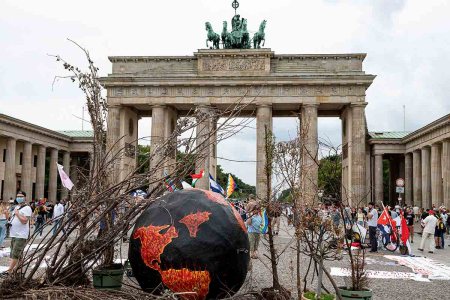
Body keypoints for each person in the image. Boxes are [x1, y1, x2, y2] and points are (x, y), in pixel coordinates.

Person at [3, 191, 32, 275]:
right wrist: (6, 214)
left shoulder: (27, 208)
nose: (19, 198)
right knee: (18, 254)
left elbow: (24, 221)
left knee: (15, 253)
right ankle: (19, 272)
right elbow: (10, 219)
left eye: (21, 196)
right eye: (18, 196)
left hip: (21, 235)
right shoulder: (16, 207)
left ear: (25, 197)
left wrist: (18, 214)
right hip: (14, 234)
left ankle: (9, 271)